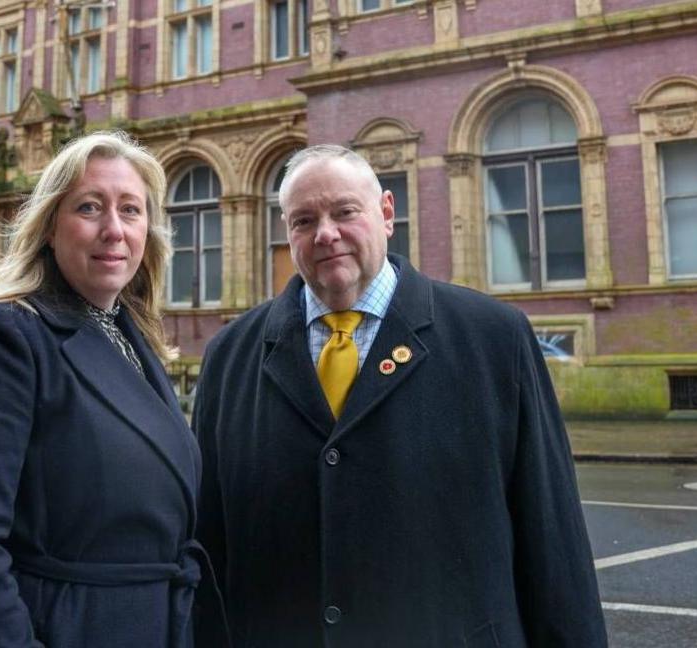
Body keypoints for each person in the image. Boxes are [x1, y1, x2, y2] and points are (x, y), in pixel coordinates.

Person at [192, 145, 607, 646]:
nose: (326, 233)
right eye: (304, 220)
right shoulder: (229, 356)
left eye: (345, 211)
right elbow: (209, 551)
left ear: (386, 213)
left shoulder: (495, 338)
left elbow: (552, 537)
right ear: (288, 231)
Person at [0, 131, 218, 647]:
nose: (114, 230)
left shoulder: (127, 334)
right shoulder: (1, 338)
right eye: (90, 207)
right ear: (50, 227)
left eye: (132, 210)